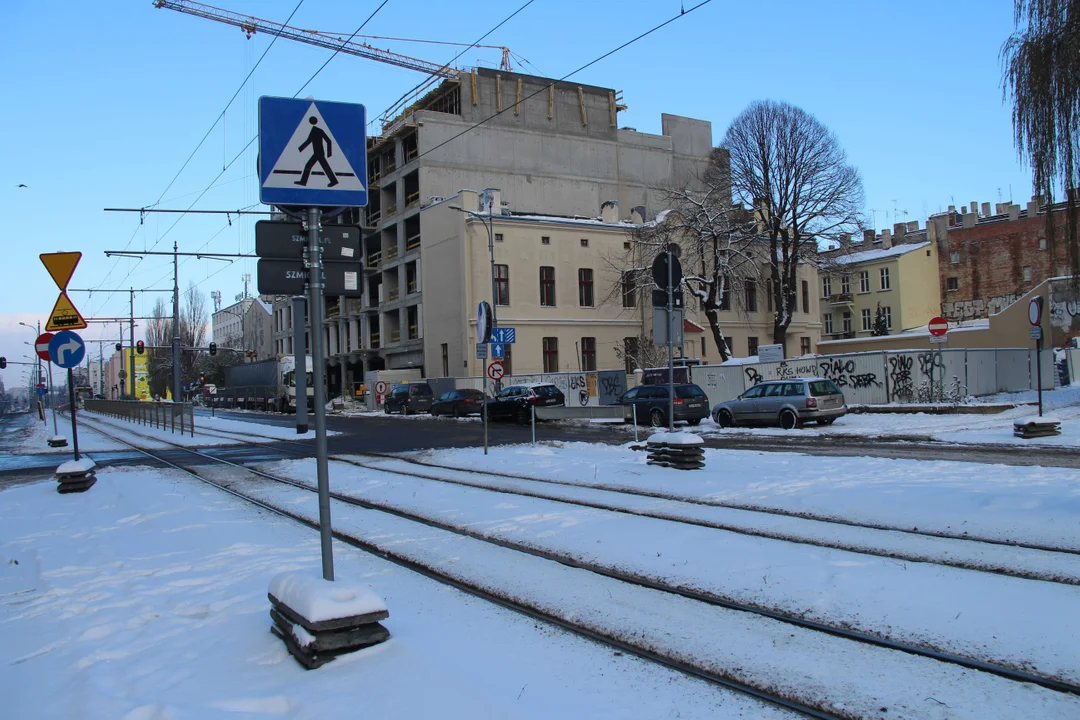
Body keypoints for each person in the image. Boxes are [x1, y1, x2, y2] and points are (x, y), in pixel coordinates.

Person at [295, 116, 338, 187]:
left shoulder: (317, 130)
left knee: (318, 166)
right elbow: (309, 141)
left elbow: (328, 141)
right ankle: (303, 181)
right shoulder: (314, 130)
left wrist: (329, 153)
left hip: (319, 153)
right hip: (317, 153)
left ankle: (334, 181)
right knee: (312, 166)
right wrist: (300, 149)